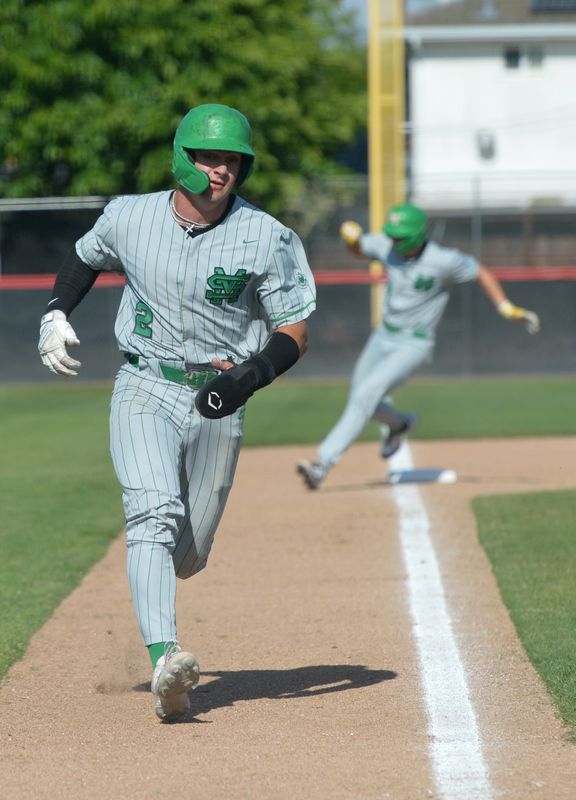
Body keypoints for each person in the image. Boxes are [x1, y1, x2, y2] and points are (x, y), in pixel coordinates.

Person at [38, 103, 316, 721]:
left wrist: (252, 374)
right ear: (180, 157)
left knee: (187, 554)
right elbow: (85, 258)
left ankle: (169, 617)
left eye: (232, 160)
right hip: (144, 385)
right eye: (208, 157)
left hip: (221, 398)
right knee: (151, 514)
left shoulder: (265, 236)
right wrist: (56, 312)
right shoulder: (129, 216)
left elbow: (294, 329)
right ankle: (166, 661)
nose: (221, 170)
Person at [296, 202, 540, 490]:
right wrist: (352, 240)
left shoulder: (443, 260)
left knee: (367, 394)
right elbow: (361, 248)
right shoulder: (388, 247)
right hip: (383, 336)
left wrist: (505, 307)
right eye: (393, 235)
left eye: (400, 236)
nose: (394, 240)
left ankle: (321, 465)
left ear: (416, 235)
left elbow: (479, 272)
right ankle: (400, 425)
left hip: (415, 344)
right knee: (362, 400)